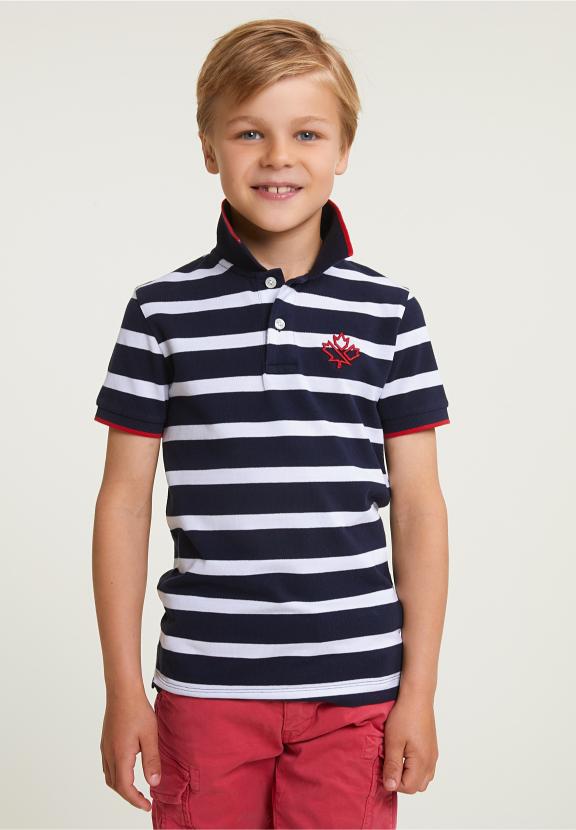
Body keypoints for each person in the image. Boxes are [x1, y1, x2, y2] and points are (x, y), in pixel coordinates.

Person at [93, 18, 451, 830]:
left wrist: (419, 692)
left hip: (356, 691)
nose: (278, 156)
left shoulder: (390, 312)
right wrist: (122, 691)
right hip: (205, 689)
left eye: (307, 133)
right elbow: (123, 503)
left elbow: (419, 509)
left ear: (344, 149)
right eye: (250, 132)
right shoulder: (160, 311)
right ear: (209, 147)